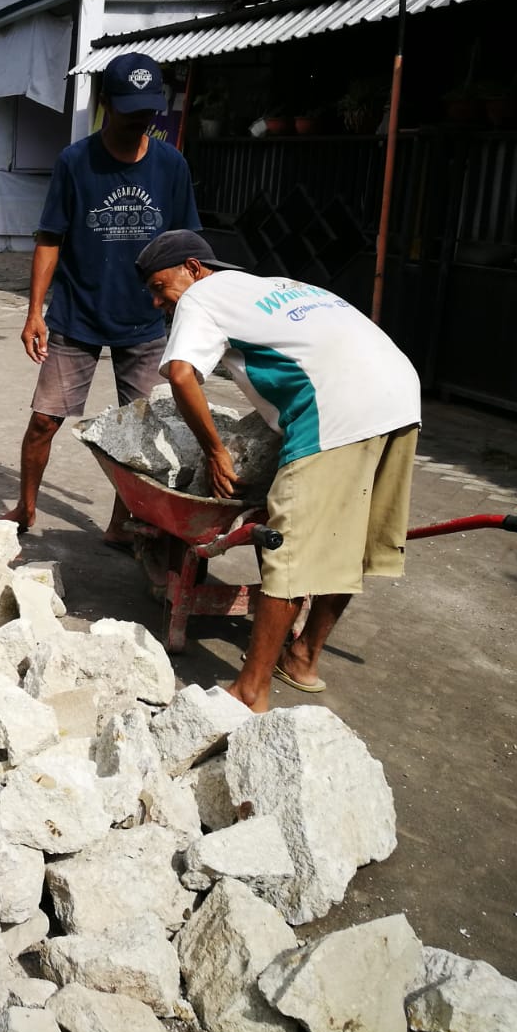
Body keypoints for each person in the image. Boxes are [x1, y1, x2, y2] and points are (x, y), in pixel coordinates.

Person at [137, 229, 422, 712]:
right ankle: (303, 657)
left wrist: (215, 452)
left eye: (160, 289)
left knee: (285, 550)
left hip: (336, 409)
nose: (160, 304)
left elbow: (181, 374)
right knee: (346, 542)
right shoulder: (272, 285)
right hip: (400, 394)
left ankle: (250, 690)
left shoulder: (201, 297)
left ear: (193, 267)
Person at [3, 52, 201, 543]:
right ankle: (25, 509)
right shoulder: (75, 162)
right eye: (130, 107)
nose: (141, 118)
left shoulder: (171, 165)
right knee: (44, 422)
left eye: (148, 109)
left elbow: (189, 250)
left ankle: (121, 524)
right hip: (78, 314)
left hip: (146, 322)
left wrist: (191, 317)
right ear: (106, 103)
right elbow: (50, 238)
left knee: (140, 433)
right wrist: (34, 313)